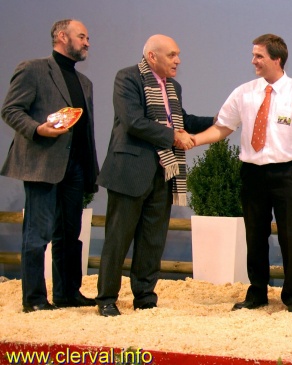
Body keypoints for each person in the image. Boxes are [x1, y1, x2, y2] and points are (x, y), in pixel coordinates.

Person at [192, 34, 292, 312]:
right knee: (254, 237)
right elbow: (223, 127)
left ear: (276, 59)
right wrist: (194, 140)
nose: (253, 61)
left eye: (259, 56)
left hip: (289, 175)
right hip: (252, 174)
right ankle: (257, 293)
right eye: (253, 55)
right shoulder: (243, 92)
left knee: (291, 237)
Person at [95, 34, 214, 317]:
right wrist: (173, 137)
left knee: (153, 238)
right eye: (172, 55)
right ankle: (107, 299)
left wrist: (222, 120)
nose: (178, 60)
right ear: (152, 57)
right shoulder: (127, 78)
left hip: (164, 172)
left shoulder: (173, 87)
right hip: (130, 171)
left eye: (178, 54)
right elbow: (133, 121)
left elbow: (181, 120)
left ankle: (145, 296)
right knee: (118, 238)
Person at [1, 19, 99, 312]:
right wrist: (37, 129)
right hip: (42, 163)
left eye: (87, 37)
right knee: (38, 232)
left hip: (76, 167)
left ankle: (67, 293)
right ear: (61, 36)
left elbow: (86, 131)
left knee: (70, 234)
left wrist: (90, 169)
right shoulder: (32, 68)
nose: (87, 42)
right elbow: (10, 110)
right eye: (82, 36)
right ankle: (33, 299)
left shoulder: (85, 83)